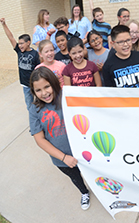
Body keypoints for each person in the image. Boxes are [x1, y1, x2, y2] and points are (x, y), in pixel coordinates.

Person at [28, 67, 90, 210]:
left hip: (84, 151)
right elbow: (40, 140)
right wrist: (64, 158)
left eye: (47, 87)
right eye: (38, 90)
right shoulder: (34, 109)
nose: (44, 93)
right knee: (76, 178)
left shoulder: (67, 96)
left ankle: (102, 192)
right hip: (62, 159)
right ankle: (84, 192)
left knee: (93, 175)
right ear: (33, 91)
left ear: (54, 83)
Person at [1, 18, 40, 109]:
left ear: (28, 43)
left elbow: (39, 69)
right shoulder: (19, 51)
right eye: (19, 43)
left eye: (22, 43)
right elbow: (11, 37)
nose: (20, 45)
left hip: (35, 84)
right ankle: (33, 119)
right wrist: (4, 24)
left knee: (40, 104)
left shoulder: (35, 54)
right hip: (25, 85)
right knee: (29, 106)